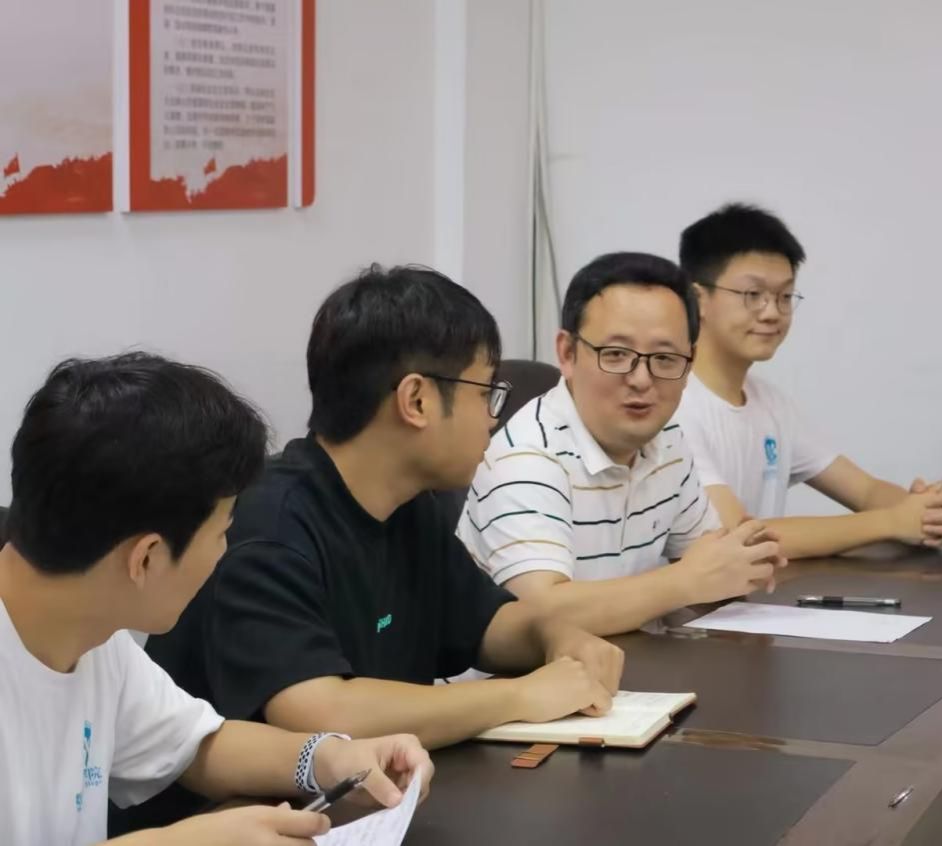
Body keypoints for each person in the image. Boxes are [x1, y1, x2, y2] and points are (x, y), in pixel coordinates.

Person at [126, 265, 624, 829]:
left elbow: (488, 625)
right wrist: (521, 697)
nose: (494, 419)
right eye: (487, 393)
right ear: (416, 400)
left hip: (359, 813)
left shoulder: (409, 504)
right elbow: (318, 711)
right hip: (221, 826)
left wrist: (555, 636)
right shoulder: (270, 526)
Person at [0, 352, 430, 846]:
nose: (226, 551)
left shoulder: (93, 634)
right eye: (222, 531)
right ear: (146, 559)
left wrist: (330, 758)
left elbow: (196, 744)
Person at [459, 252, 784, 637]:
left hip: (624, 663)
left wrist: (744, 559)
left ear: (689, 362)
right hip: (525, 675)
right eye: (616, 354)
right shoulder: (526, 458)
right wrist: (686, 581)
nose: (642, 379)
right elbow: (540, 615)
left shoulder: (667, 439)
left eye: (665, 358)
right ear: (567, 353)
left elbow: (707, 557)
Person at [675, 203, 942, 559]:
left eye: (784, 296)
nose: (772, 312)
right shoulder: (674, 405)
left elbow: (866, 491)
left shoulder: (770, 403)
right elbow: (740, 537)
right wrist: (892, 522)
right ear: (699, 299)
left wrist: (925, 511)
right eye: (753, 295)